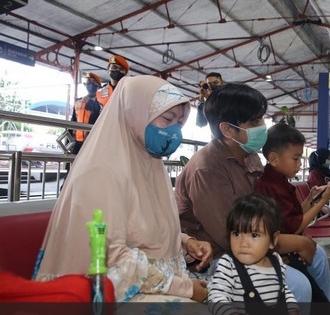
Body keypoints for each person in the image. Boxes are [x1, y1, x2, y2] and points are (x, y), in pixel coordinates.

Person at [34, 75, 213, 303]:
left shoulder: (150, 164)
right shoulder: (100, 173)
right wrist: (185, 289)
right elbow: (111, 257)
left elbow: (146, 229)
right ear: (134, 115)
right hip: (105, 290)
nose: (174, 131)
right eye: (167, 119)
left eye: (178, 123)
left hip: (148, 281)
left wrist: (186, 242)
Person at [175, 83, 330, 305]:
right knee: (297, 285)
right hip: (218, 256)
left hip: (255, 240)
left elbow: (265, 211)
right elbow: (233, 239)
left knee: (318, 256)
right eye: (255, 122)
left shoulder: (250, 157)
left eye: (262, 119)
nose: (263, 127)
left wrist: (288, 242)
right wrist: (292, 244)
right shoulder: (207, 170)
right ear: (228, 129)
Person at [208, 193, 299, 315]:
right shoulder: (229, 264)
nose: (243, 243)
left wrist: (292, 308)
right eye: (237, 234)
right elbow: (216, 297)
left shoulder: (276, 261)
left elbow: (283, 291)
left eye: (254, 235)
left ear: (273, 240)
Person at [255, 123, 330, 235]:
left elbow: (295, 216)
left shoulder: (279, 182)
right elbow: (294, 228)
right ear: (273, 159)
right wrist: (323, 201)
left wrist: (311, 199)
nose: (300, 164)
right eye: (295, 158)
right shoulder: (272, 187)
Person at [69, 72, 103, 155]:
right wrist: (69, 142)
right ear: (85, 85)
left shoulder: (101, 103)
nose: (90, 85)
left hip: (92, 141)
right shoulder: (78, 102)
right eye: (88, 82)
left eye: (93, 82)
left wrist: (93, 102)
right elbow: (73, 121)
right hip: (77, 141)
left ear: (98, 86)